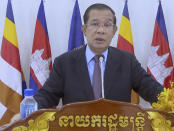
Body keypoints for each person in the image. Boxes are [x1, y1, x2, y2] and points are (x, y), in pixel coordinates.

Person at [34, 3, 163, 109]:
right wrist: (26, 112)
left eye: (107, 25)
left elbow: (152, 90)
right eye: (95, 24)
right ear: (84, 30)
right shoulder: (64, 62)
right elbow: (47, 95)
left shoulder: (127, 61)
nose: (101, 30)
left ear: (114, 31)